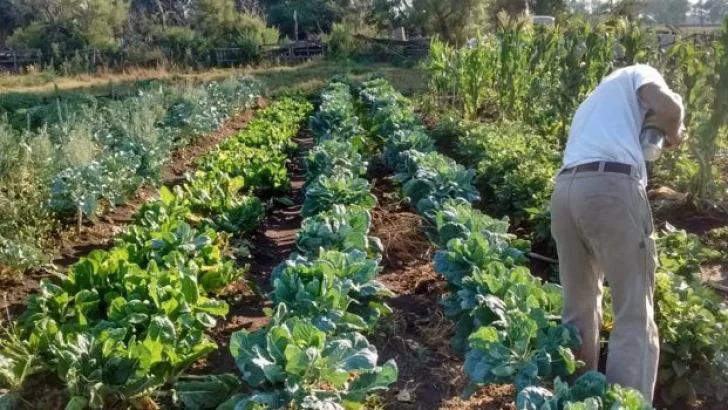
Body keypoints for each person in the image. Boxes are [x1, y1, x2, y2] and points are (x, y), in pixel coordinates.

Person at [550, 64, 686, 401]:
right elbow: (670, 108)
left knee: (578, 309)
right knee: (634, 312)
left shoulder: (594, 100)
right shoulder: (639, 72)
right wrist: (676, 130)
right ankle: (625, 404)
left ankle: (578, 400)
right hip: (610, 188)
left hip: (565, 190)